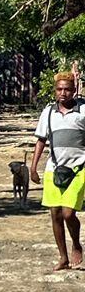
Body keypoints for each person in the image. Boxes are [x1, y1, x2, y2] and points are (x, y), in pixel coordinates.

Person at [31, 71, 85, 271]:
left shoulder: (83, 110)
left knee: (69, 213)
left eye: (67, 89)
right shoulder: (48, 112)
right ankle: (63, 257)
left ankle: (77, 245)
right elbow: (41, 140)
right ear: (55, 91)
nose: (63, 93)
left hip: (79, 168)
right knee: (55, 214)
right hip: (54, 168)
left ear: (74, 90)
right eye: (60, 89)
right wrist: (34, 167)